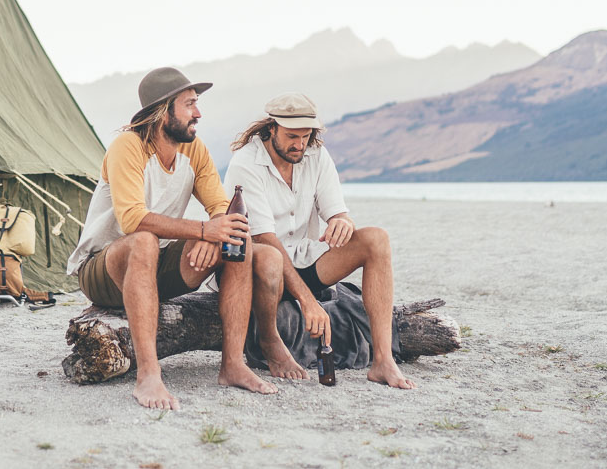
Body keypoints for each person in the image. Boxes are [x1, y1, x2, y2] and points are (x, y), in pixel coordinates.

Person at [66, 67, 285, 409]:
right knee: (143, 240)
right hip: (103, 269)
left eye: (196, 104)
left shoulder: (194, 150)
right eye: (189, 105)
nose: (198, 113)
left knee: (235, 238)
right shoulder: (128, 146)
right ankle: (149, 376)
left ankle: (233, 365)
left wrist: (214, 233)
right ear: (161, 111)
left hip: (156, 265)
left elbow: (220, 208)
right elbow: (132, 219)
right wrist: (201, 230)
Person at [224, 92, 415, 389]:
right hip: (261, 270)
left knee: (376, 239)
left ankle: (383, 360)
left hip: (305, 258)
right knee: (270, 257)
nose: (299, 144)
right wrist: (309, 302)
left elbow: (338, 212)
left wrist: (341, 222)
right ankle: (270, 342)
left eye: (305, 135)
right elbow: (265, 239)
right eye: (291, 136)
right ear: (271, 128)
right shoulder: (245, 163)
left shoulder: (316, 154)